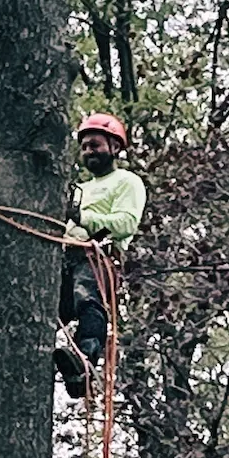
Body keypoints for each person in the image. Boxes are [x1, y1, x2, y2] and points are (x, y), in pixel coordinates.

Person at [54, 113, 146, 398]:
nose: (88, 152)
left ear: (115, 147)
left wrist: (84, 217)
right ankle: (64, 369)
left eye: (95, 145)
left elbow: (126, 222)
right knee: (49, 312)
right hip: (64, 255)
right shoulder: (79, 189)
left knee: (88, 298)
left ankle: (85, 361)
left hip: (98, 254)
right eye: (84, 147)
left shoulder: (126, 182)